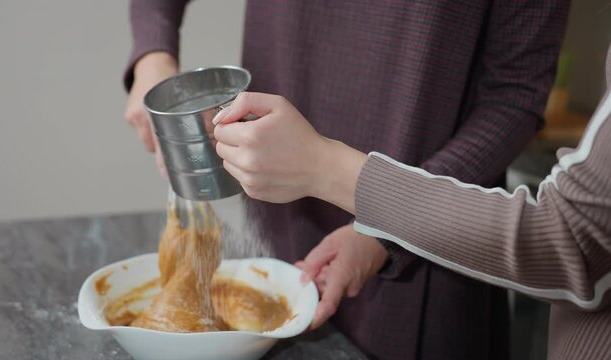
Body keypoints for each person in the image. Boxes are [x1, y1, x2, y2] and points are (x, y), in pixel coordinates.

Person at [124, 1, 569, 358]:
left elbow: (514, 98)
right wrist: (153, 54)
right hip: (278, 222)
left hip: (425, 252)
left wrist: (387, 227)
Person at [210, 46, 611, 360]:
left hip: (433, 268)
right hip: (341, 230)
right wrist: (153, 54)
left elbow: (572, 240)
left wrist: (325, 171)